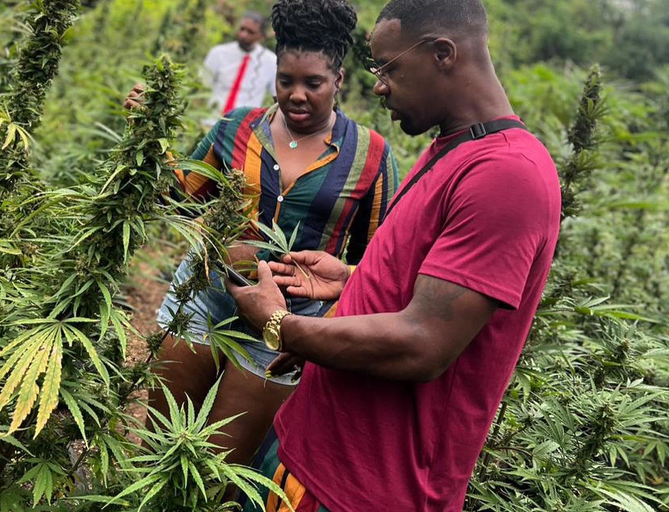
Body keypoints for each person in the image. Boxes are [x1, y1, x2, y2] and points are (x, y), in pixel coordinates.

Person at [228, 0, 562, 510]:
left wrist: (279, 325)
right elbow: (432, 285)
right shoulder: (451, 150)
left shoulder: (507, 175)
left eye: (388, 68)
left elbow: (422, 342)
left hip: (361, 487)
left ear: (443, 53)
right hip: (309, 446)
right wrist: (354, 280)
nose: (379, 85)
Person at [143, 0, 399, 468]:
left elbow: (380, 262)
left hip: (288, 325)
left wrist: (336, 307)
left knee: (217, 469)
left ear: (338, 81)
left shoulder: (371, 156)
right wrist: (149, 135)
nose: (297, 95)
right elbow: (179, 199)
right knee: (158, 445)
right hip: (204, 296)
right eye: (286, 81)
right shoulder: (236, 126)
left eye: (313, 83)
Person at [203, 11, 277, 120]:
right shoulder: (217, 53)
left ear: (261, 36)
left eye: (250, 32)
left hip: (243, 127)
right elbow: (200, 87)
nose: (243, 35)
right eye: (242, 29)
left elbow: (277, 98)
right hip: (211, 121)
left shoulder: (271, 61)